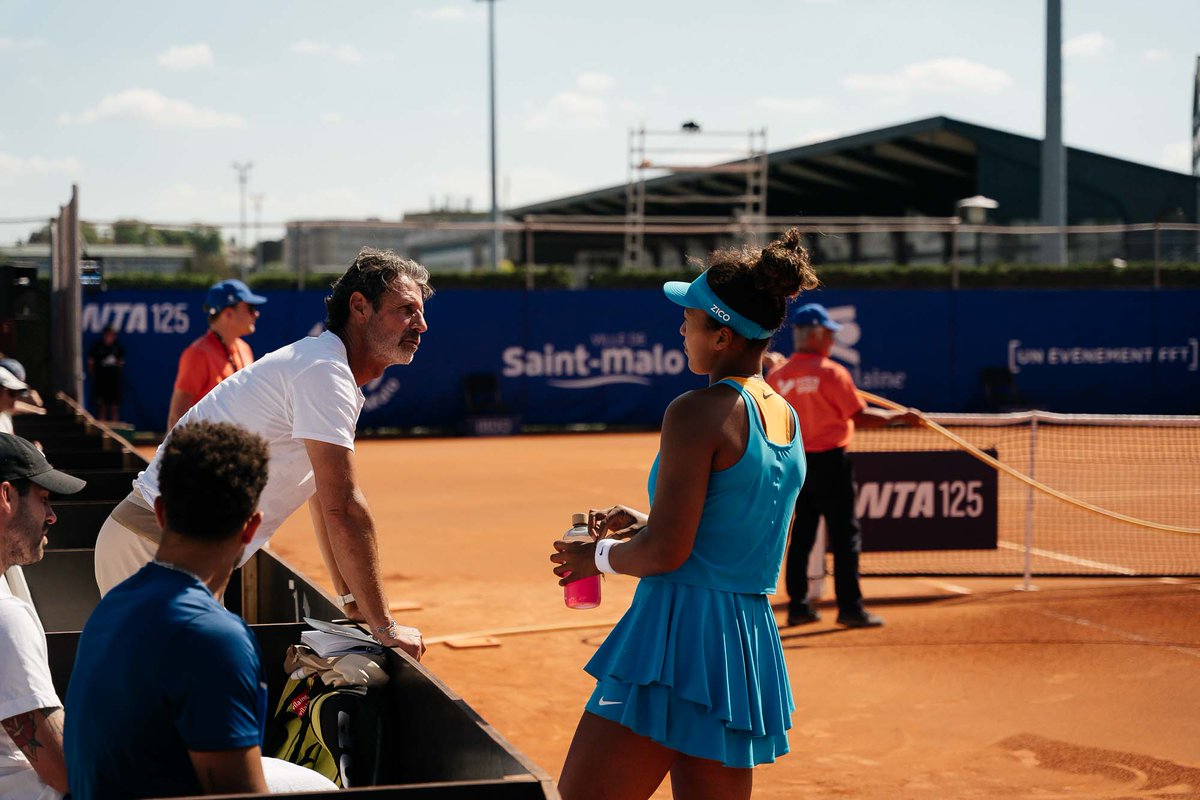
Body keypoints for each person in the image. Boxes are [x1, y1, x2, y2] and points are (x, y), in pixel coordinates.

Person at [550, 229, 815, 800]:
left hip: (674, 636)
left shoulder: (696, 410)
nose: (680, 331)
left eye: (689, 320)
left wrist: (596, 556)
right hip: (741, 644)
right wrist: (648, 522)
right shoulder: (787, 418)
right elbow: (730, 537)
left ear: (721, 335)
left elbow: (668, 553)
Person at [94, 247, 429, 660]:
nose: (421, 325)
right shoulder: (324, 372)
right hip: (154, 548)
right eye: (406, 310)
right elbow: (343, 506)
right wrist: (385, 627)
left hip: (172, 550)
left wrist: (352, 599)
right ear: (359, 307)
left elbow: (322, 496)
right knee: (180, 693)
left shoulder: (324, 366)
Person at [65, 421, 336, 798]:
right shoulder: (216, 637)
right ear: (251, 528)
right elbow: (238, 793)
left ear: (160, 512)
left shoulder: (112, 605)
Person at [764, 303, 921, 628]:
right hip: (831, 463)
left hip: (796, 465)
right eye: (829, 334)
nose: (833, 340)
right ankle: (850, 608)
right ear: (817, 335)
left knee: (802, 534)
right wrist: (900, 418)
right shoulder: (831, 373)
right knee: (845, 535)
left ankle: (798, 607)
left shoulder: (778, 376)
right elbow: (859, 416)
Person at [0, 433, 86, 800]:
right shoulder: (6, 619)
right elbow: (68, 772)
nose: (51, 516)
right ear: (6, 497)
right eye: (44, 499)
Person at [165, 278, 267, 430]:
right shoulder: (197, 354)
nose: (256, 314)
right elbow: (177, 417)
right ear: (228, 313)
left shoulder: (245, 349)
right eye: (250, 308)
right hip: (207, 443)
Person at [86, 326, 124, 423]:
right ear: (105, 335)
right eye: (109, 334)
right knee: (102, 406)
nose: (111, 337)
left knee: (114, 405)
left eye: (113, 335)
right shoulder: (97, 347)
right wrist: (94, 375)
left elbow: (120, 363)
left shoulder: (118, 347)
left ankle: (115, 428)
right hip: (101, 381)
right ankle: (102, 428)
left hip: (114, 381)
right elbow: (90, 363)